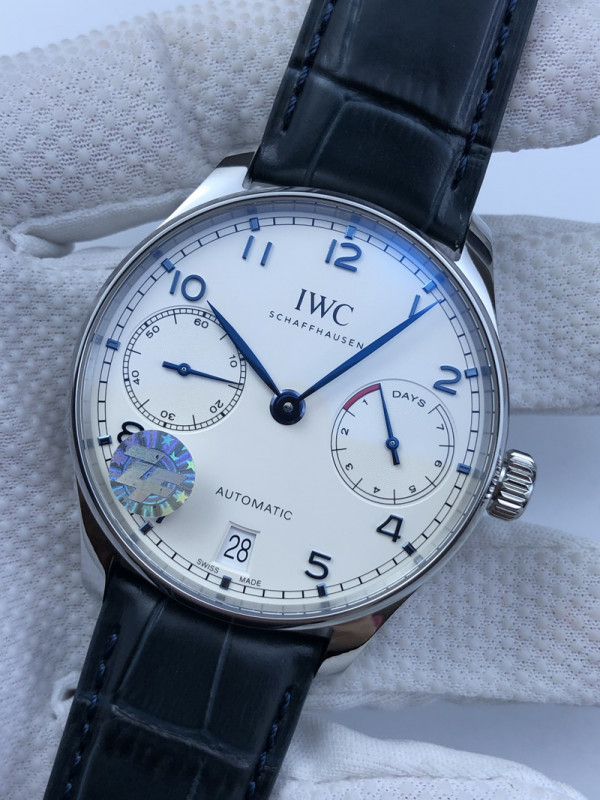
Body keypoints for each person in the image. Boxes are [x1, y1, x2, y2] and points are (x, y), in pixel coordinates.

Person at [0, 1, 598, 797]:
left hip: (262, 575)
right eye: (288, 399)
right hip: (177, 542)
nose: (288, 405)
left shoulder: (247, 249)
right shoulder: (227, 233)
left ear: (496, 478)